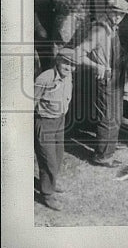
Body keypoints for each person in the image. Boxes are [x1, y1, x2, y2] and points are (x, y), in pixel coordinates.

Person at [74, 0, 128, 167]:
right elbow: (78, 53)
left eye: (121, 15)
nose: (118, 17)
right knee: (108, 118)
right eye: (115, 13)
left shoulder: (113, 28)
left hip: (117, 76)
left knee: (116, 116)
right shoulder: (99, 29)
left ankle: (109, 144)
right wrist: (97, 66)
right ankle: (103, 156)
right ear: (108, 10)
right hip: (105, 78)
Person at [34, 49, 75, 211]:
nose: (69, 67)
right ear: (57, 61)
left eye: (72, 65)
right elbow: (31, 101)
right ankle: (47, 194)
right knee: (48, 160)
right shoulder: (45, 78)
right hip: (45, 122)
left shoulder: (69, 75)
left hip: (60, 121)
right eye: (65, 62)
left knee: (58, 156)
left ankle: (50, 181)